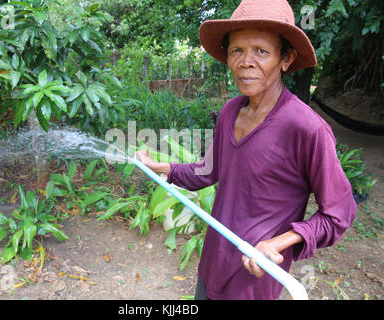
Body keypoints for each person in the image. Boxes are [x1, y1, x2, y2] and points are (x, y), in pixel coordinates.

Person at [135, 0, 357, 300]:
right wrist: (162, 168)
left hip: (255, 279)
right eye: (236, 50)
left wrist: (279, 243)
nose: (245, 61)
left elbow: (338, 214)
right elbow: (208, 171)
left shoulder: (307, 128)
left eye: (261, 51)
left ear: (286, 58)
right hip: (213, 262)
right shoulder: (230, 111)